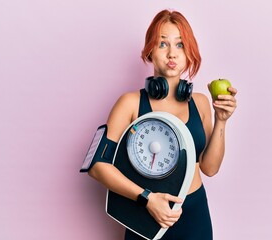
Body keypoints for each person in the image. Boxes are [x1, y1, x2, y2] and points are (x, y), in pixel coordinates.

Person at [88, 9, 237, 240]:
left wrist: (221, 120)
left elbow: (210, 168)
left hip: (194, 213)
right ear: (149, 52)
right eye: (162, 44)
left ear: (189, 53)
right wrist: (147, 198)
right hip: (145, 214)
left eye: (180, 45)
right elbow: (98, 166)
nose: (172, 54)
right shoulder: (130, 104)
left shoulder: (200, 102)